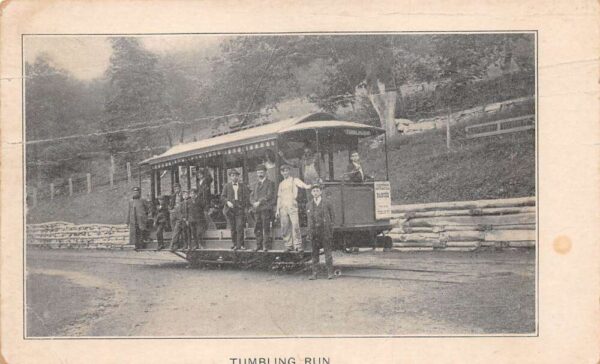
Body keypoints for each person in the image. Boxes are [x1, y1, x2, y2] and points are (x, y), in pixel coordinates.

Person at [275, 164, 312, 252]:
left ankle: (298, 245)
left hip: (292, 204)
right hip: (283, 206)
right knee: (285, 226)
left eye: (286, 170)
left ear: (289, 171)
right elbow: (279, 197)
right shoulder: (281, 184)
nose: (285, 172)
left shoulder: (294, 180)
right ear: (281, 173)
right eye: (283, 171)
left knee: (295, 225)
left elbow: (303, 185)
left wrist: (309, 186)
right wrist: (277, 210)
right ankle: (288, 245)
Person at [306, 184, 335, 280]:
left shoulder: (327, 203)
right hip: (314, 232)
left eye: (317, 191)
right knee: (314, 253)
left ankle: (330, 273)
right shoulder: (309, 205)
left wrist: (330, 228)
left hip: (325, 231)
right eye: (314, 191)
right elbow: (309, 220)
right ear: (311, 193)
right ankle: (314, 274)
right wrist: (310, 232)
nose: (315, 193)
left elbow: (332, 217)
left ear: (321, 192)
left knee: (328, 253)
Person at [221, 169, 250, 250]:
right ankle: (234, 243)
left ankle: (240, 244)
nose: (234, 177)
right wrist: (227, 202)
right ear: (230, 177)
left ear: (238, 176)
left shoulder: (243, 186)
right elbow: (222, 197)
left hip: (239, 209)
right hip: (230, 210)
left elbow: (247, 197)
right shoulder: (227, 186)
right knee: (233, 227)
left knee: (240, 226)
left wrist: (243, 205)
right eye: (232, 175)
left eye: (236, 175)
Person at [250, 164, 276, 251]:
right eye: (258, 173)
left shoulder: (270, 183)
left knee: (266, 227)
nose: (260, 174)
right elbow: (251, 196)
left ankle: (266, 246)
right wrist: (253, 202)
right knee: (257, 228)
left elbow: (269, 195)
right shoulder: (255, 184)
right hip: (256, 210)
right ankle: (259, 245)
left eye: (261, 172)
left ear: (265, 172)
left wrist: (259, 202)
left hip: (265, 209)